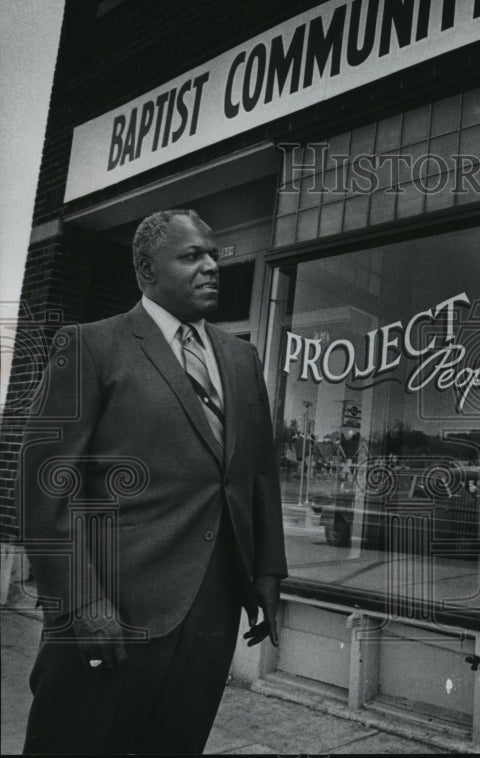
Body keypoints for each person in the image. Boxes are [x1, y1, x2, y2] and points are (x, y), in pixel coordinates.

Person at [20, 209, 288, 755]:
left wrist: (266, 570)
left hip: (213, 613)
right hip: (114, 612)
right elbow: (44, 490)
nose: (212, 266)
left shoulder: (241, 358)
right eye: (193, 256)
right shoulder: (90, 346)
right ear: (146, 268)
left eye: (215, 254)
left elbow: (259, 473)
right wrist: (81, 605)